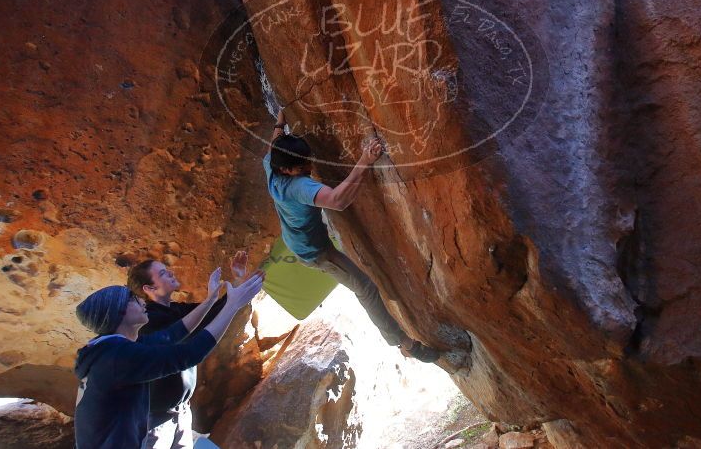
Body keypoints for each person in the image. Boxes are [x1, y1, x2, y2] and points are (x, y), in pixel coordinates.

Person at [263, 108, 439, 362]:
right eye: (303, 166)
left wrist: (280, 122)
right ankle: (405, 344)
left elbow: (273, 145)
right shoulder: (299, 187)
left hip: (296, 239)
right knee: (365, 289)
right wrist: (364, 161)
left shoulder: (271, 167)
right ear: (288, 170)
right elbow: (338, 201)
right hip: (317, 252)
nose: (309, 167)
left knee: (364, 285)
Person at [73, 262, 263, 449]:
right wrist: (232, 306)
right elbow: (190, 353)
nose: (140, 299)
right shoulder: (118, 357)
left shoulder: (113, 348)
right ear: (118, 315)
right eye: (131, 299)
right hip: (153, 423)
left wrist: (213, 298)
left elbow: (172, 334)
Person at [126, 252, 251, 449]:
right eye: (163, 273)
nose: (171, 273)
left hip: (182, 411)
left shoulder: (175, 309)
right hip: (154, 418)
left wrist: (236, 279)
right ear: (149, 288)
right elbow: (190, 332)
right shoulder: (147, 320)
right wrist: (217, 300)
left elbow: (209, 313)